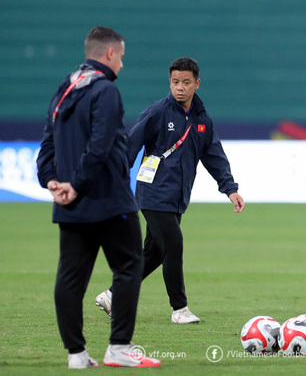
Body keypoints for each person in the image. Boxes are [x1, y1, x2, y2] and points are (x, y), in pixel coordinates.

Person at [36, 27, 160, 368]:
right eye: (121, 56)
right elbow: (102, 143)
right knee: (129, 267)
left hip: (70, 205)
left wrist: (51, 181)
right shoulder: (105, 91)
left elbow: (48, 141)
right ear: (109, 54)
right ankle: (119, 349)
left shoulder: (66, 87)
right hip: (108, 200)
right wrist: (76, 183)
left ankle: (76, 355)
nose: (121, 64)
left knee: (70, 278)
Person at [95, 57, 245, 324]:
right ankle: (180, 309)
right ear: (170, 82)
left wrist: (230, 189)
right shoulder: (157, 112)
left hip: (177, 198)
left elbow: (214, 155)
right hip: (153, 193)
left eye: (186, 82)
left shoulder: (202, 119)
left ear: (197, 84)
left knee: (154, 252)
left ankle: (113, 295)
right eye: (175, 82)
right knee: (174, 245)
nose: (180, 87)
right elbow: (131, 146)